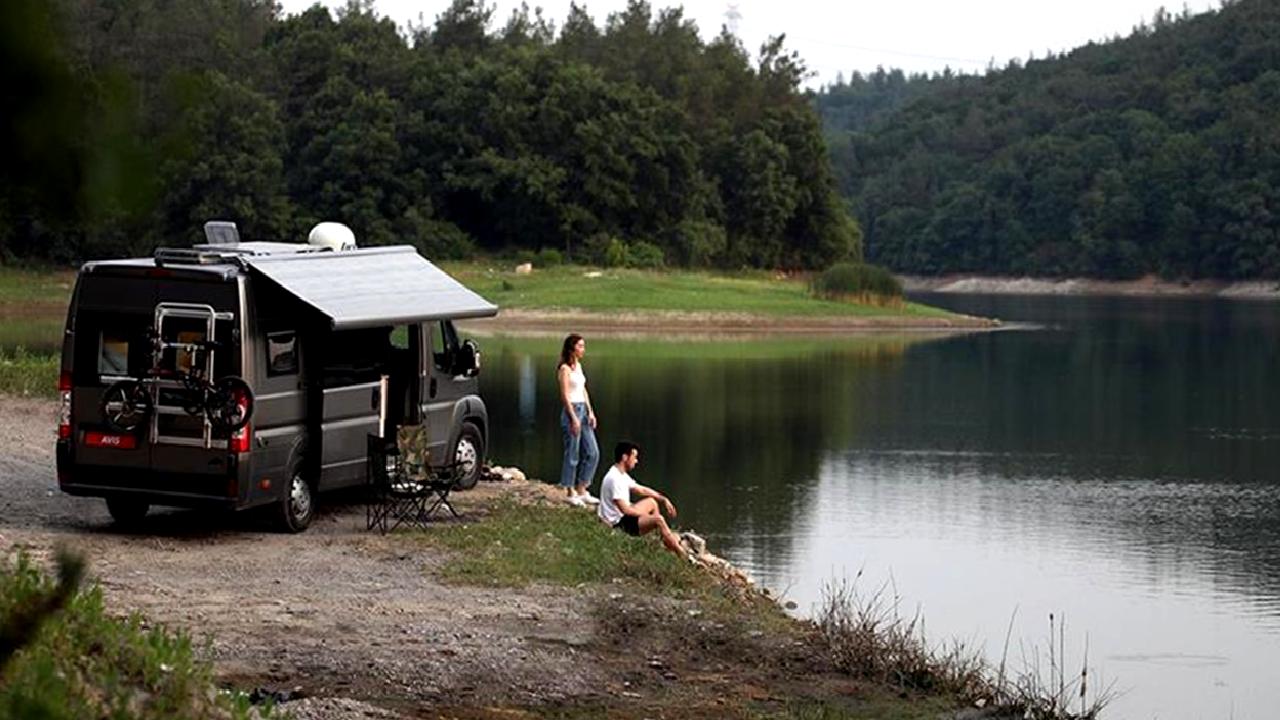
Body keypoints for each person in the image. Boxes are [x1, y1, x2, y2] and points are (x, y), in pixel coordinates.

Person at [598, 441, 683, 556]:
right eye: (634, 457)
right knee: (658, 519)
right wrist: (649, 517)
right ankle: (681, 554)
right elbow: (626, 510)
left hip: (624, 517)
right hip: (619, 524)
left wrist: (663, 499)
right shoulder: (614, 479)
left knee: (652, 502)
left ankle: (662, 536)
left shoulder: (620, 474)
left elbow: (641, 490)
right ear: (624, 457)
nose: (636, 461)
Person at [557, 333, 599, 507]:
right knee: (572, 453)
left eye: (583, 346)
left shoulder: (578, 366)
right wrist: (573, 418)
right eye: (580, 346)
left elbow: (583, 390)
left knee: (592, 452)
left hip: (583, 409)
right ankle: (570, 490)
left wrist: (590, 412)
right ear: (572, 348)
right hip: (572, 411)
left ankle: (582, 487)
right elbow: (565, 395)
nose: (583, 349)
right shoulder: (564, 369)